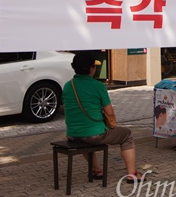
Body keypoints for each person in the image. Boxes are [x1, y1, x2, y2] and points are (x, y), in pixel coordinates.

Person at [62, 51, 144, 183]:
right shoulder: (98, 86)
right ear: (91, 68)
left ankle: (97, 170)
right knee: (127, 135)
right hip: (94, 135)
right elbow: (110, 112)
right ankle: (132, 173)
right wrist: (112, 124)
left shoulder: (67, 86)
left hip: (73, 134)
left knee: (84, 138)